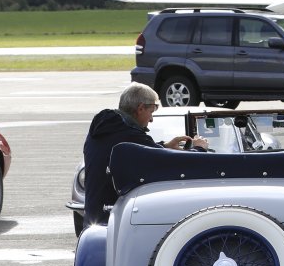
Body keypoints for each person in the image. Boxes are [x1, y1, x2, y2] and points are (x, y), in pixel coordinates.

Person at [82, 82, 203, 226]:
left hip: (93, 217)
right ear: (140, 109)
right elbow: (168, 162)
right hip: (111, 221)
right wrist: (199, 149)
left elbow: (140, 148)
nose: (151, 119)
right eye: (151, 112)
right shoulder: (129, 134)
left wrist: (164, 146)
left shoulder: (105, 126)